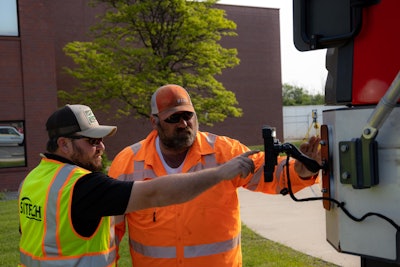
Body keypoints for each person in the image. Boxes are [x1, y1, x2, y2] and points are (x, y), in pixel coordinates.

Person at [18, 104, 257, 267]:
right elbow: (154, 193)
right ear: (64, 145)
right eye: (92, 141)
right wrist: (220, 173)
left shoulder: (33, 180)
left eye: (101, 139)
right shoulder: (83, 186)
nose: (101, 147)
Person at [108, 84, 322, 267]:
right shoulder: (127, 164)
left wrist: (300, 171)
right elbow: (109, 234)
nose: (184, 124)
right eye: (174, 118)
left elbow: (269, 173)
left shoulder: (224, 152)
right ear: (154, 122)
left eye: (187, 115)